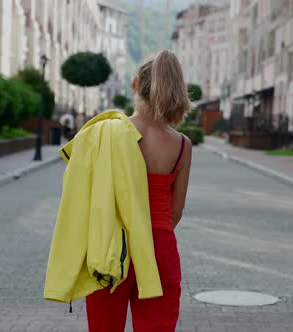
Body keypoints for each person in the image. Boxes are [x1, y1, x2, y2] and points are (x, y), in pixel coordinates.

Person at [86, 49, 193, 331]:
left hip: (112, 246)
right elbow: (175, 211)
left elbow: (89, 197)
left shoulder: (108, 132)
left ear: (135, 85)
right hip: (159, 246)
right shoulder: (182, 144)